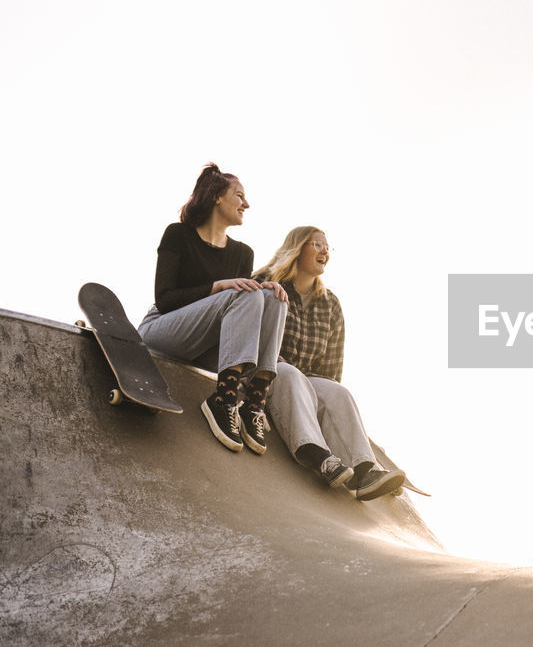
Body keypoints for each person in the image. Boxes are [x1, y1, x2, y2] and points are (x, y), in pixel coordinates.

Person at [139, 163, 288, 454]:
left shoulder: (243, 253)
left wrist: (266, 290)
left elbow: (240, 316)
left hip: (206, 350)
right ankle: (224, 399)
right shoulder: (178, 235)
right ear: (217, 196)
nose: (247, 203)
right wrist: (217, 286)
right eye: (239, 195)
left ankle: (254, 401)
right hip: (162, 330)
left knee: (271, 296)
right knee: (244, 291)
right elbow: (165, 299)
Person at [252, 226, 406, 500]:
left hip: (304, 380)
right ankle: (317, 455)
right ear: (297, 249)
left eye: (327, 247)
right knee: (289, 374)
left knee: (338, 391)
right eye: (317, 244)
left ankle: (364, 471)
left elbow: (331, 370)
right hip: (265, 371)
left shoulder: (330, 303)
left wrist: (325, 399)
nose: (325, 251)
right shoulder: (265, 281)